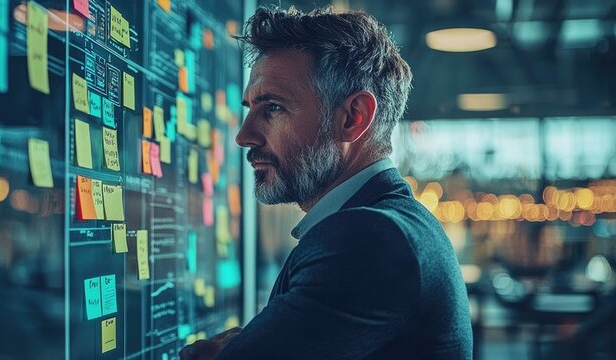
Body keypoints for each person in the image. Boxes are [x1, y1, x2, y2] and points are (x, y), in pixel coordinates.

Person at [180, 6, 473, 360]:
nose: (244, 136)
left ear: (353, 118)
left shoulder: (367, 238)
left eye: (272, 107)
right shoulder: (395, 222)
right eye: (249, 108)